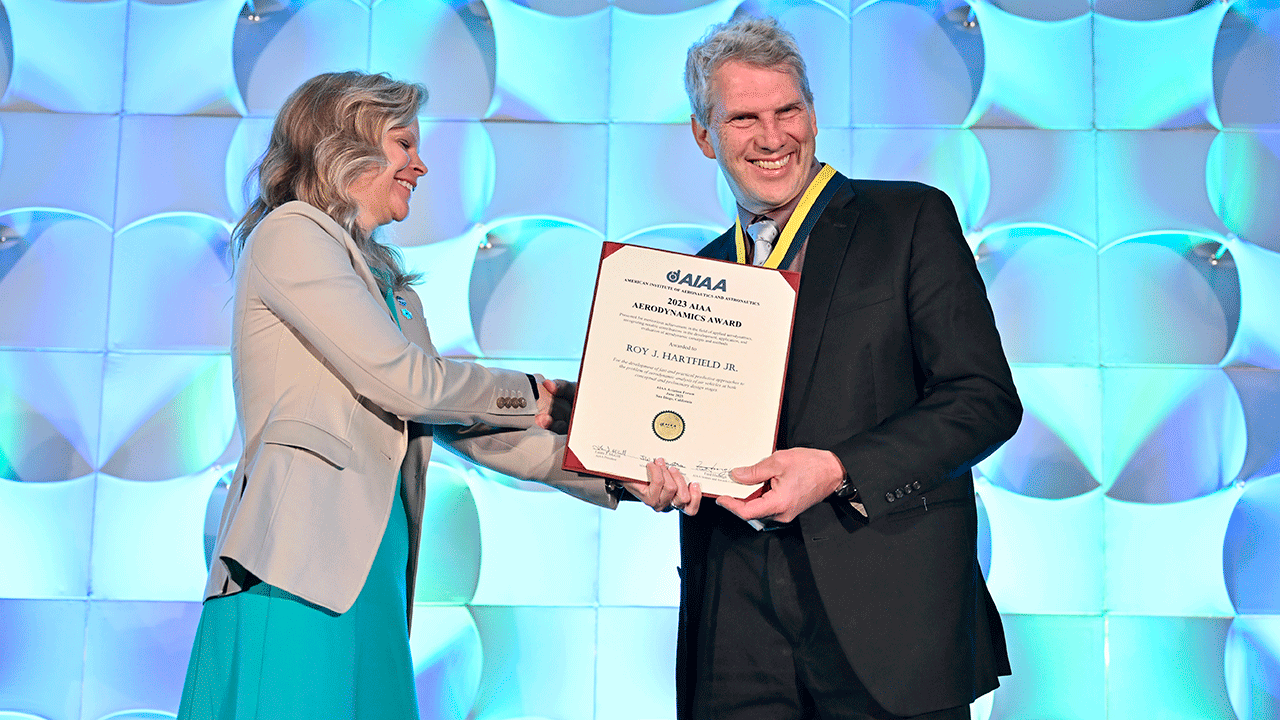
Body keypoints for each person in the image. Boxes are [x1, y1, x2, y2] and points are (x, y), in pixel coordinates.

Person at [623, 16, 1023, 720]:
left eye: (788, 111)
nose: (772, 137)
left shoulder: (910, 219)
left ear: (813, 112)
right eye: (743, 118)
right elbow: (676, 437)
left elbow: (983, 400)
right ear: (702, 134)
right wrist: (656, 473)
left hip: (889, 618)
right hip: (734, 628)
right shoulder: (696, 277)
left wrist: (838, 468)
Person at [177, 71, 609, 719]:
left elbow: (458, 418)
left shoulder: (390, 288)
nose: (421, 164)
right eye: (404, 143)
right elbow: (406, 383)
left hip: (371, 568)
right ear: (342, 144)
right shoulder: (294, 233)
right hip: (297, 569)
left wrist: (614, 466)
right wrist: (536, 396)